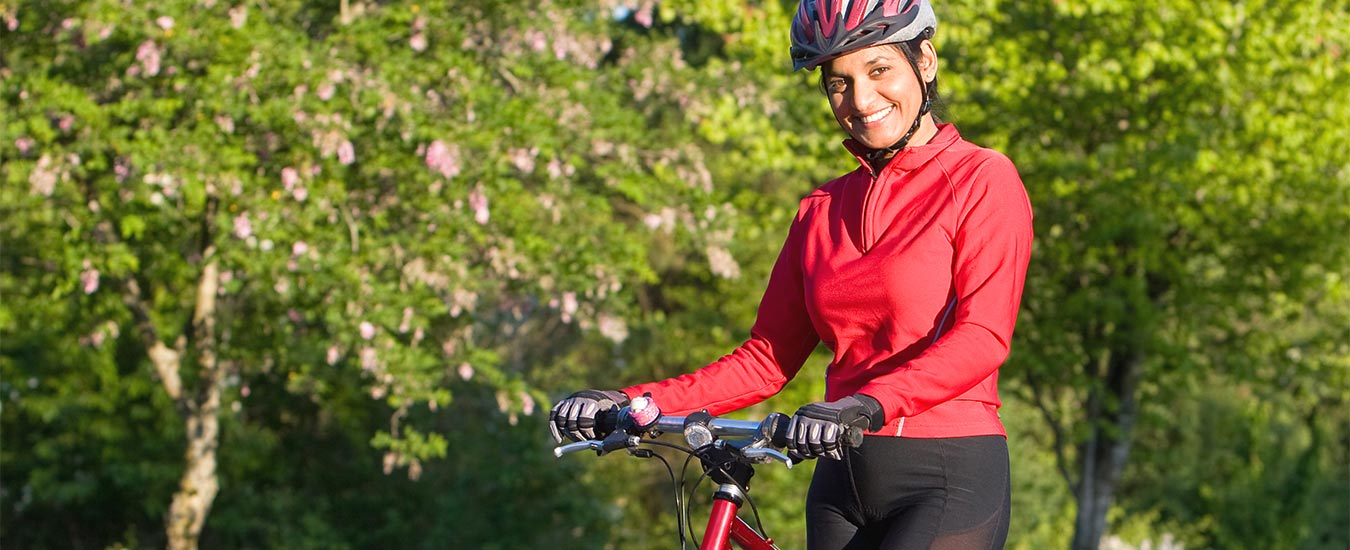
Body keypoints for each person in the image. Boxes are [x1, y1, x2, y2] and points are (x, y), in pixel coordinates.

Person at [550, 0, 1033, 547]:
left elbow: (982, 337)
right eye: (838, 84)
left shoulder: (981, 179)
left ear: (924, 60)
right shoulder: (821, 209)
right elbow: (766, 360)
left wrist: (863, 404)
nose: (861, 100)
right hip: (840, 478)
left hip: (946, 475)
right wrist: (634, 402)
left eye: (879, 71)